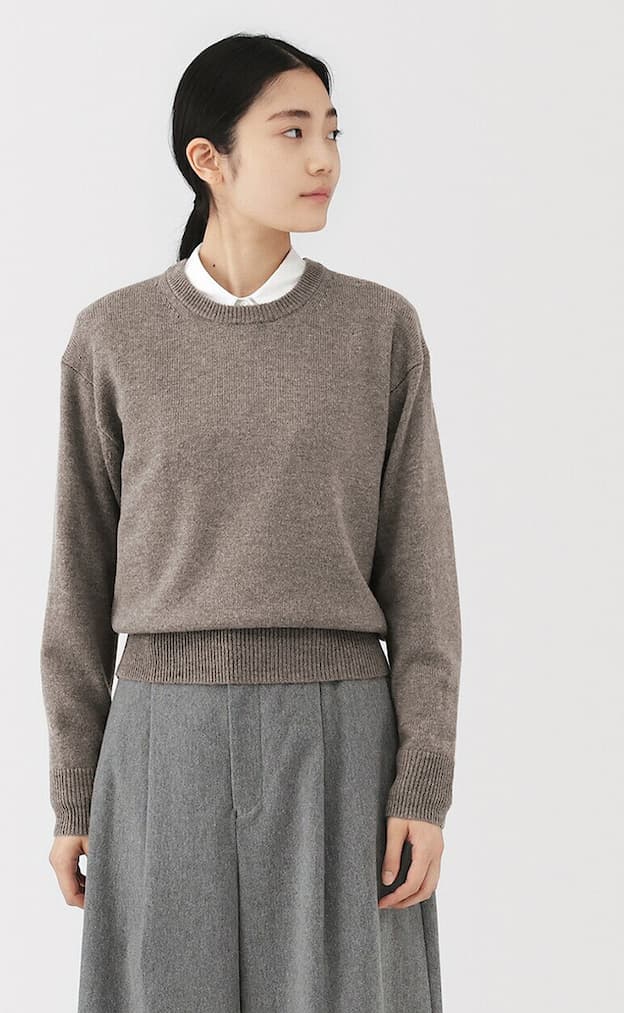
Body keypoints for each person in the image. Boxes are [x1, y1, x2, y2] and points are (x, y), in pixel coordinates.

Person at [40, 31, 462, 1013]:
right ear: (210, 159)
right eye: (293, 131)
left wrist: (423, 780)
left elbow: (423, 575)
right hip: (162, 737)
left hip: (340, 736)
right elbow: (77, 578)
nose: (325, 159)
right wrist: (72, 789)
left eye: (333, 132)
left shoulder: (379, 330)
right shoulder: (113, 338)